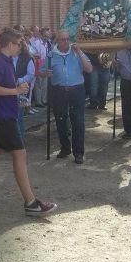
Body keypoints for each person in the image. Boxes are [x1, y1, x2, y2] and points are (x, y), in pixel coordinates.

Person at [0, 29, 57, 217]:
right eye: (18, 44)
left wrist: (17, 96)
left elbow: (6, 87)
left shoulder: (6, 60)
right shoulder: (0, 61)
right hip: (2, 116)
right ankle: (31, 202)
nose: (21, 47)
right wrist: (15, 92)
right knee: (20, 154)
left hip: (3, 114)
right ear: (9, 44)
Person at [48, 29, 92, 163]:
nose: (66, 42)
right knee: (61, 120)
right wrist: (45, 74)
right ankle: (65, 147)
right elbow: (42, 71)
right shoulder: (50, 55)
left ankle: (78, 152)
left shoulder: (77, 53)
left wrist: (79, 52)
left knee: (78, 121)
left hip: (76, 89)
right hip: (59, 90)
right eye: (63, 39)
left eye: (67, 39)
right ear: (57, 41)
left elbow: (89, 69)